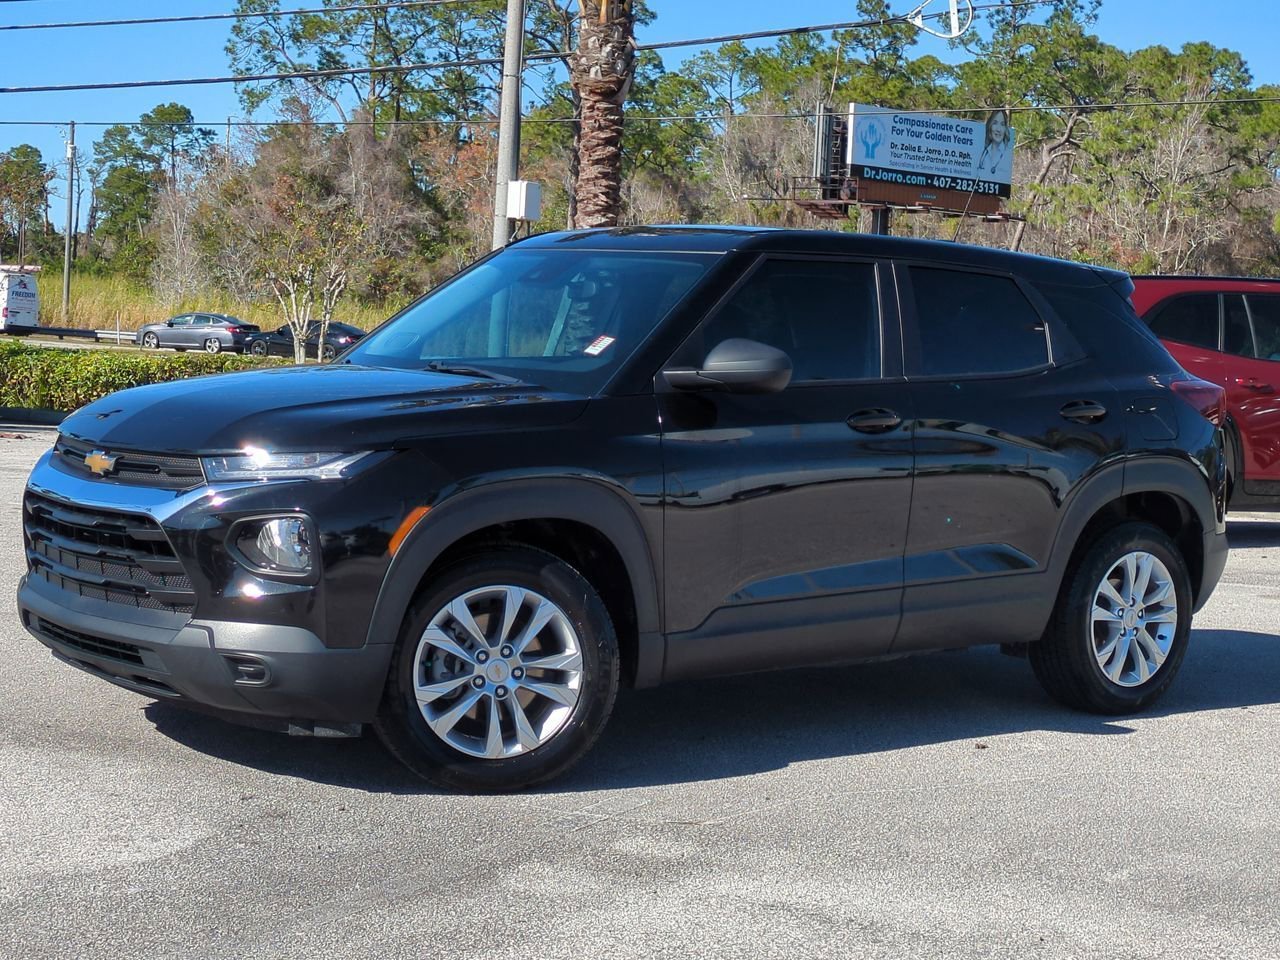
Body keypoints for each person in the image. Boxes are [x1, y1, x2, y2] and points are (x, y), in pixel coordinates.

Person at [976, 109, 1012, 178]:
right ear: (990, 126)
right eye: (995, 123)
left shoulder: (1008, 154)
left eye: (1002, 124)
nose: (998, 129)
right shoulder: (983, 153)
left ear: (1005, 129)